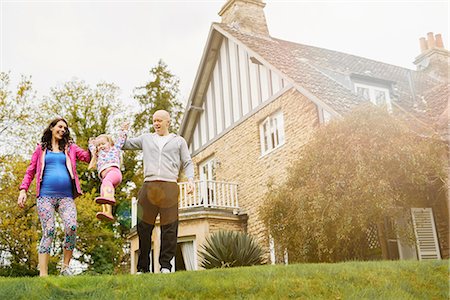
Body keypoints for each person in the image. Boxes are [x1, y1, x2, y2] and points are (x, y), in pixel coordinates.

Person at [123, 110, 194, 273]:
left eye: (160, 120)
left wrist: (190, 180)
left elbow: (187, 162)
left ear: (168, 122)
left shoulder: (178, 141)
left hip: (169, 185)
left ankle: (166, 266)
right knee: (143, 227)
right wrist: (124, 131)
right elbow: (124, 145)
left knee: (169, 227)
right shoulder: (146, 139)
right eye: (154, 120)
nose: (156, 123)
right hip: (149, 185)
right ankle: (143, 268)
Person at [17, 118, 91, 277]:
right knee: (49, 230)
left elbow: (86, 157)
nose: (62, 130)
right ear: (51, 128)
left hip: (66, 197)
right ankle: (43, 274)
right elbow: (30, 171)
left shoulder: (70, 148)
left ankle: (65, 267)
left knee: (71, 227)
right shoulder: (40, 149)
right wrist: (23, 190)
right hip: (45, 197)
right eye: (59, 126)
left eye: (65, 128)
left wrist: (95, 146)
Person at [88, 123, 128, 221]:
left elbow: (121, 139)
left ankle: (110, 198)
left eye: (103, 144)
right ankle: (107, 212)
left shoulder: (114, 148)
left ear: (110, 143)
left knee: (106, 184)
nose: (101, 146)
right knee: (103, 191)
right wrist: (91, 142)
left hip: (114, 173)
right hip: (106, 178)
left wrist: (124, 130)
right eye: (99, 145)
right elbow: (92, 148)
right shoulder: (97, 153)